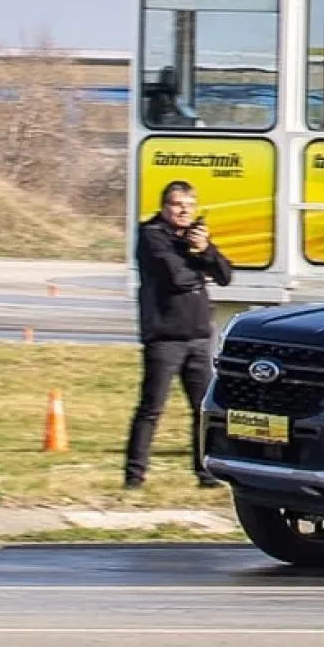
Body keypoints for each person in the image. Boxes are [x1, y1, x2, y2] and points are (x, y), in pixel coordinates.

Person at [123, 180, 233, 489]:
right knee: (151, 408)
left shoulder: (194, 239)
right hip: (165, 337)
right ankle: (134, 476)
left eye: (189, 205)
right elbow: (177, 278)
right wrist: (198, 260)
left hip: (198, 336)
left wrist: (206, 249)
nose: (183, 211)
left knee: (203, 409)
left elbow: (225, 275)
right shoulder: (151, 236)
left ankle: (205, 473)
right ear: (164, 207)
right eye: (176, 205)